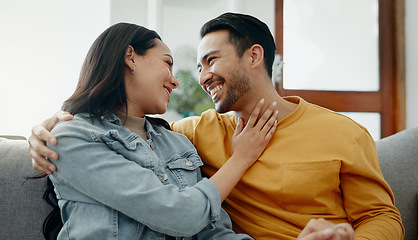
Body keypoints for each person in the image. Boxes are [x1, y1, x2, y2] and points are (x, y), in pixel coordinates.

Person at [28, 12, 398, 240]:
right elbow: (123, 139)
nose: (200, 77)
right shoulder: (194, 133)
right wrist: (42, 129)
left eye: (211, 60)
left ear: (254, 56)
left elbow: (381, 216)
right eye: (196, 65)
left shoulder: (344, 133)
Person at [33, 22, 284, 240]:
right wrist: (240, 159)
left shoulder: (179, 143)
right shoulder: (70, 137)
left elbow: (212, 233)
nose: (175, 81)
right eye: (167, 63)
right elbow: (180, 214)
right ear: (130, 57)